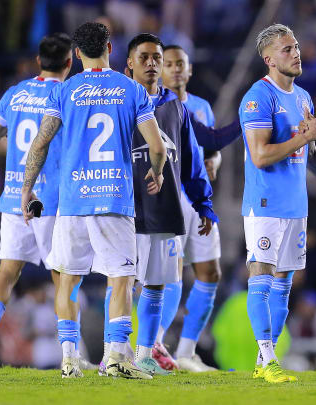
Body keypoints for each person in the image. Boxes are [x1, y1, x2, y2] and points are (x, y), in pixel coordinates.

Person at [20, 22, 167, 380]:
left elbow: (40, 143)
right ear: (110, 48)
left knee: (67, 281)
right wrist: (157, 171)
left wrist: (27, 188)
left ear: (76, 54)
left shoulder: (64, 91)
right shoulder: (131, 89)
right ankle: (116, 358)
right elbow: (157, 147)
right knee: (120, 279)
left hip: (73, 202)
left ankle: (69, 359)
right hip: (114, 200)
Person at [104, 33, 216, 377]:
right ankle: (113, 353)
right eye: (145, 58)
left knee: (155, 285)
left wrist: (204, 203)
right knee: (122, 282)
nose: (152, 64)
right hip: (127, 210)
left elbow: (193, 160)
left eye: (157, 57)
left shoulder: (176, 107)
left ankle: (144, 354)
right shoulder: (118, 102)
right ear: (130, 65)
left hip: (166, 210)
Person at [239, 23, 316, 383]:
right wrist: (304, 138)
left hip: (296, 205)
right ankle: (268, 358)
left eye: (296, 46)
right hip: (265, 202)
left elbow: (310, 152)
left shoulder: (302, 98)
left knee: (285, 283)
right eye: (287, 49)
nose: (296, 53)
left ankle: (264, 357)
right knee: (262, 275)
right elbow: (260, 155)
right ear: (268, 59)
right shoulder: (258, 97)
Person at [0, 33, 73, 369]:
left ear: (37, 62)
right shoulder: (66, 94)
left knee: (6, 274)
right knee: (62, 276)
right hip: (48, 199)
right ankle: (71, 354)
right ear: (69, 63)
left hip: (14, 197)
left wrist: (15, 154)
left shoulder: (15, 93)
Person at [150, 44, 241, 372]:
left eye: (180, 64)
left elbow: (209, 145)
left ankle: (187, 351)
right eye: (169, 64)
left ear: (189, 71)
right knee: (170, 273)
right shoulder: (154, 104)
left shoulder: (201, 106)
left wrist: (213, 160)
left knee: (209, 272)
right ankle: (154, 345)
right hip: (169, 200)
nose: (175, 69)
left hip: (198, 201)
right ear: (160, 71)